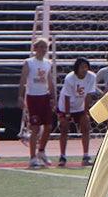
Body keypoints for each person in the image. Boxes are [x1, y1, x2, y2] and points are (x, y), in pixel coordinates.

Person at [19, 37, 55, 168]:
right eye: (41, 47)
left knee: (48, 126)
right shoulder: (29, 62)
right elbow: (23, 79)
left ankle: (41, 151)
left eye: (45, 47)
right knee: (34, 128)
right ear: (35, 48)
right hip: (33, 97)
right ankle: (32, 157)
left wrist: (53, 97)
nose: (43, 50)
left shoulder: (47, 63)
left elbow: (50, 81)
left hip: (44, 97)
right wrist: (20, 96)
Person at [56, 56, 99, 166]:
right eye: (82, 67)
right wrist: (67, 114)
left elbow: (88, 95)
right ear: (76, 68)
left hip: (80, 106)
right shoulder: (70, 78)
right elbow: (67, 97)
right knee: (64, 128)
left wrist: (85, 112)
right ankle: (63, 156)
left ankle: (85, 155)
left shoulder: (91, 77)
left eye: (86, 67)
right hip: (66, 106)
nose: (84, 69)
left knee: (85, 127)